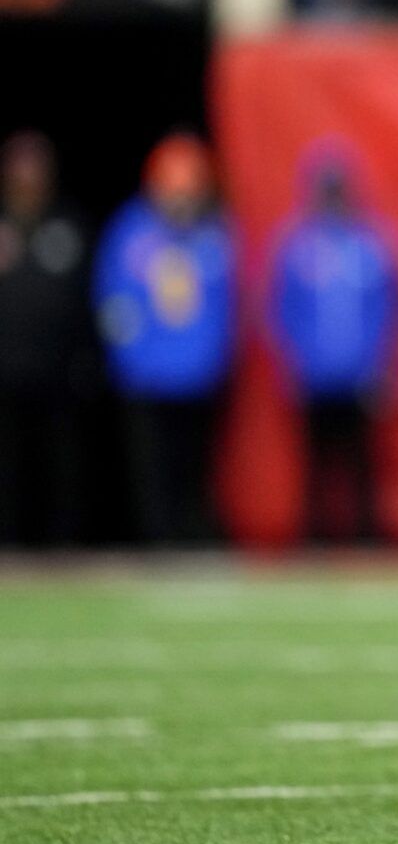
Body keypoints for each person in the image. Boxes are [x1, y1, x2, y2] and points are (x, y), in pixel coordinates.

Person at [93, 134, 236, 545]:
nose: (181, 202)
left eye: (189, 192)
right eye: (174, 191)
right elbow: (114, 301)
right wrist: (128, 358)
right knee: (151, 465)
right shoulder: (131, 233)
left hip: (199, 374)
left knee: (196, 463)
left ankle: (192, 534)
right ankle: (156, 537)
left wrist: (215, 359)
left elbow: (225, 307)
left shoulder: (214, 237)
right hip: (148, 373)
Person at [267, 153, 398, 545]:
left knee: (362, 462)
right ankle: (314, 536)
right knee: (315, 462)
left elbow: (388, 308)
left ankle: (366, 536)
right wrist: (293, 362)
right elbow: (283, 309)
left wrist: (381, 365)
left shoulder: (369, 243)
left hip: (360, 374)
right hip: (313, 374)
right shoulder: (297, 245)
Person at [0, 132, 91, 546]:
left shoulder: (67, 225)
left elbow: (88, 296)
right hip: (5, 371)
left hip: (58, 372)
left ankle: (61, 547)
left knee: (61, 467)